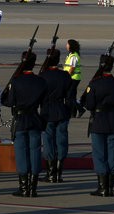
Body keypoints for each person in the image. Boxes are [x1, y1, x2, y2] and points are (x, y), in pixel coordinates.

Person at [1, 52, 47, 198]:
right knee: (34, 152)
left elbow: (9, 101)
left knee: (21, 154)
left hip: (21, 120)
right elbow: (43, 104)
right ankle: (33, 187)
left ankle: (23, 187)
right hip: (34, 119)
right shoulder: (40, 81)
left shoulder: (17, 81)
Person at [84, 54, 114, 198]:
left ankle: (102, 187)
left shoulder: (95, 84)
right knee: (113, 152)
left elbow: (89, 105)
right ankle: (110, 186)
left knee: (99, 154)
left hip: (99, 121)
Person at [40, 48, 74, 184]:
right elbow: (70, 97)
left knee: (48, 141)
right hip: (61, 110)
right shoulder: (65, 76)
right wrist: (69, 111)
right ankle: (58, 173)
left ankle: (50, 173)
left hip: (47, 111)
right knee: (61, 141)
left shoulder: (43, 76)